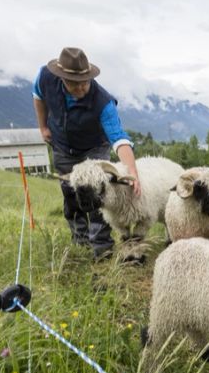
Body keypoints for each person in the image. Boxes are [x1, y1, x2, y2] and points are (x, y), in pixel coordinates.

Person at [33, 47, 141, 260]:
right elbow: (38, 96)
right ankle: (80, 241)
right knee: (71, 194)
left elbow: (119, 138)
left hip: (94, 148)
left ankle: (102, 247)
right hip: (63, 147)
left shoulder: (103, 102)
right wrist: (43, 126)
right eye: (74, 83)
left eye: (85, 81)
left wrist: (132, 171)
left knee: (98, 194)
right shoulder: (45, 77)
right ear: (61, 78)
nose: (82, 87)